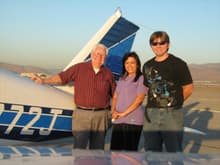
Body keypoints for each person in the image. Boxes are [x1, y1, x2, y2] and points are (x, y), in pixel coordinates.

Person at [31, 43, 116, 150]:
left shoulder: (108, 74)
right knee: (79, 147)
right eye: (97, 54)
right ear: (92, 54)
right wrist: (44, 81)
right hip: (82, 115)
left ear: (106, 58)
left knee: (98, 149)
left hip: (101, 115)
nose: (99, 57)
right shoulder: (80, 68)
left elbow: (115, 93)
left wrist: (115, 110)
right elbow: (63, 77)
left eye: (103, 55)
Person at [142, 31, 193, 152]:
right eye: (154, 43)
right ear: (151, 46)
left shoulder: (178, 64)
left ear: (168, 44)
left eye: (162, 43)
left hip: (172, 114)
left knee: (174, 152)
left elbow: (188, 88)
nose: (158, 46)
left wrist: (174, 104)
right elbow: (148, 87)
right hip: (151, 114)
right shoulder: (147, 65)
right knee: (151, 152)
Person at [110, 52, 147, 151]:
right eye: (127, 63)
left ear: (137, 64)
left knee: (129, 154)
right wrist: (113, 111)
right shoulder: (122, 78)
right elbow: (115, 96)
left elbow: (139, 99)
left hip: (132, 121)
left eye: (132, 62)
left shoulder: (141, 78)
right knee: (114, 151)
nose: (129, 65)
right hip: (118, 119)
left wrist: (123, 114)